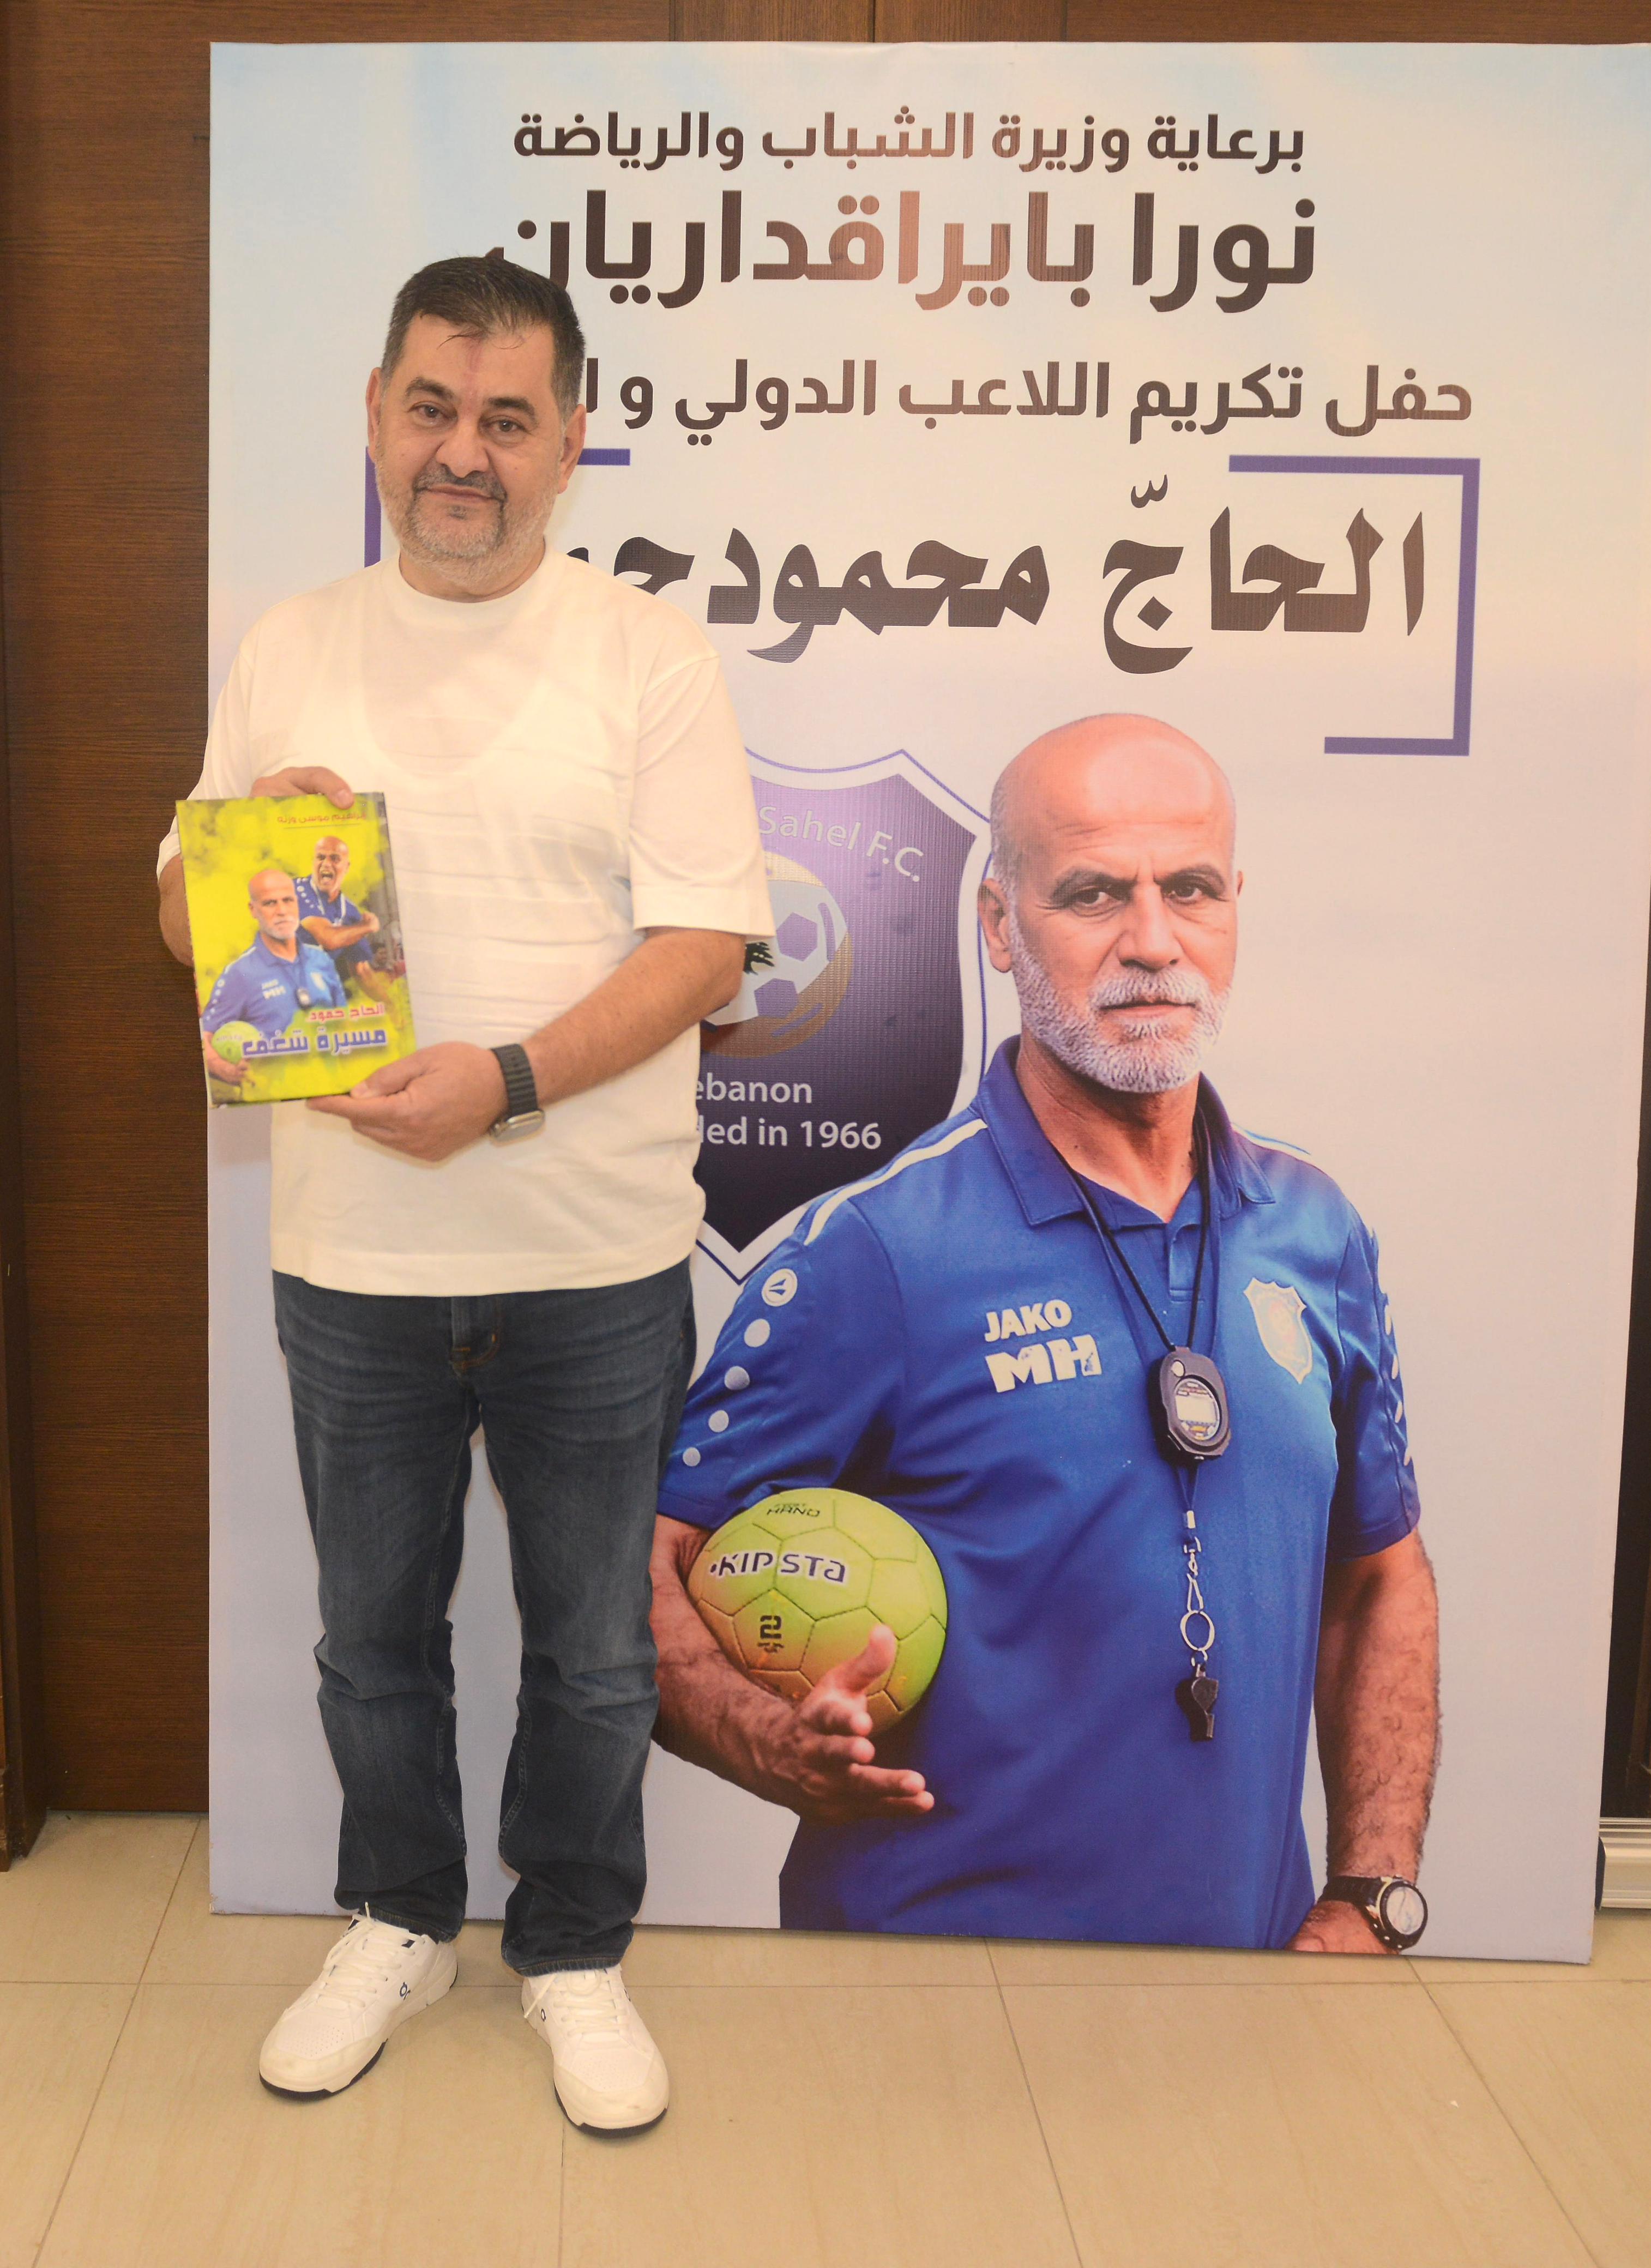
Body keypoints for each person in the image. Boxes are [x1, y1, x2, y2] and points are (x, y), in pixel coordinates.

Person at [156, 255, 772, 2125]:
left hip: (592, 1253)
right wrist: (238, 890)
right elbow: (178, 904)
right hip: (351, 1252)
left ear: (570, 440)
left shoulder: (645, 653)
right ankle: (399, 1918)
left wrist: (503, 1082)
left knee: (593, 1656)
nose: (463, 454)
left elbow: (705, 948)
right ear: (374, 414)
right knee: (371, 1640)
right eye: (431, 408)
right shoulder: (290, 644)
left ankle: (570, 1948)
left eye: (507, 419)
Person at [650, 714, 1440, 1958]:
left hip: (1250, 1978)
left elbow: (1380, 1574)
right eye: (1092, 894)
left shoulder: (1313, 1226)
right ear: (998, 923)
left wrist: (1371, 1888)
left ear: (1234, 907)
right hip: (929, 1985)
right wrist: (762, 1741)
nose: (1152, 941)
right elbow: (644, 1565)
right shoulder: (878, 1250)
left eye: (1190, 889)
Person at [200, 867, 347, 1089]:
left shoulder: (321, 960)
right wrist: (225, 1070)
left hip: (332, 1086)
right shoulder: (240, 973)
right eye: (270, 903)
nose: (282, 911)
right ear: (253, 910)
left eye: (288, 900)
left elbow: (344, 1022)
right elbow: (205, 1035)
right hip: (275, 1093)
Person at [295, 834, 392, 1001]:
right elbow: (328, 938)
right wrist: (367, 927)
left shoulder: (350, 911)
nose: (326, 864)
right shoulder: (297, 890)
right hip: (277, 986)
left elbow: (362, 971)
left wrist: (391, 1008)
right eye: (320, 857)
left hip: (316, 992)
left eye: (335, 858)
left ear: (347, 867)